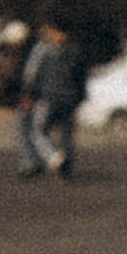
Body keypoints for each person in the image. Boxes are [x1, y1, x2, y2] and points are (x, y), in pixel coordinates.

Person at [17, 22, 84, 177]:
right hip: (70, 99)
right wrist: (78, 98)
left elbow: (31, 74)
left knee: (37, 131)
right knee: (66, 135)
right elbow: (80, 78)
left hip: (48, 98)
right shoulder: (75, 51)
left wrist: (27, 94)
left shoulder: (43, 50)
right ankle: (66, 169)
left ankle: (53, 157)